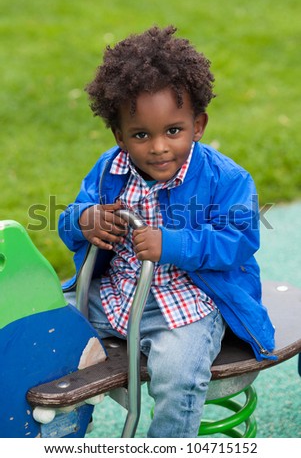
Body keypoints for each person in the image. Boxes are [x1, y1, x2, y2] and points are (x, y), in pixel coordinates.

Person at [59, 25, 275, 438]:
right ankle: (55, 430)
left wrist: (171, 244)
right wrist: (83, 221)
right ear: (120, 136)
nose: (158, 147)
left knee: (178, 374)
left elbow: (239, 240)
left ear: (199, 124)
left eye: (173, 130)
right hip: (115, 295)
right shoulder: (109, 169)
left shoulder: (226, 178)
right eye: (141, 135)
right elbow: (71, 220)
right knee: (42, 321)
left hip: (187, 304)